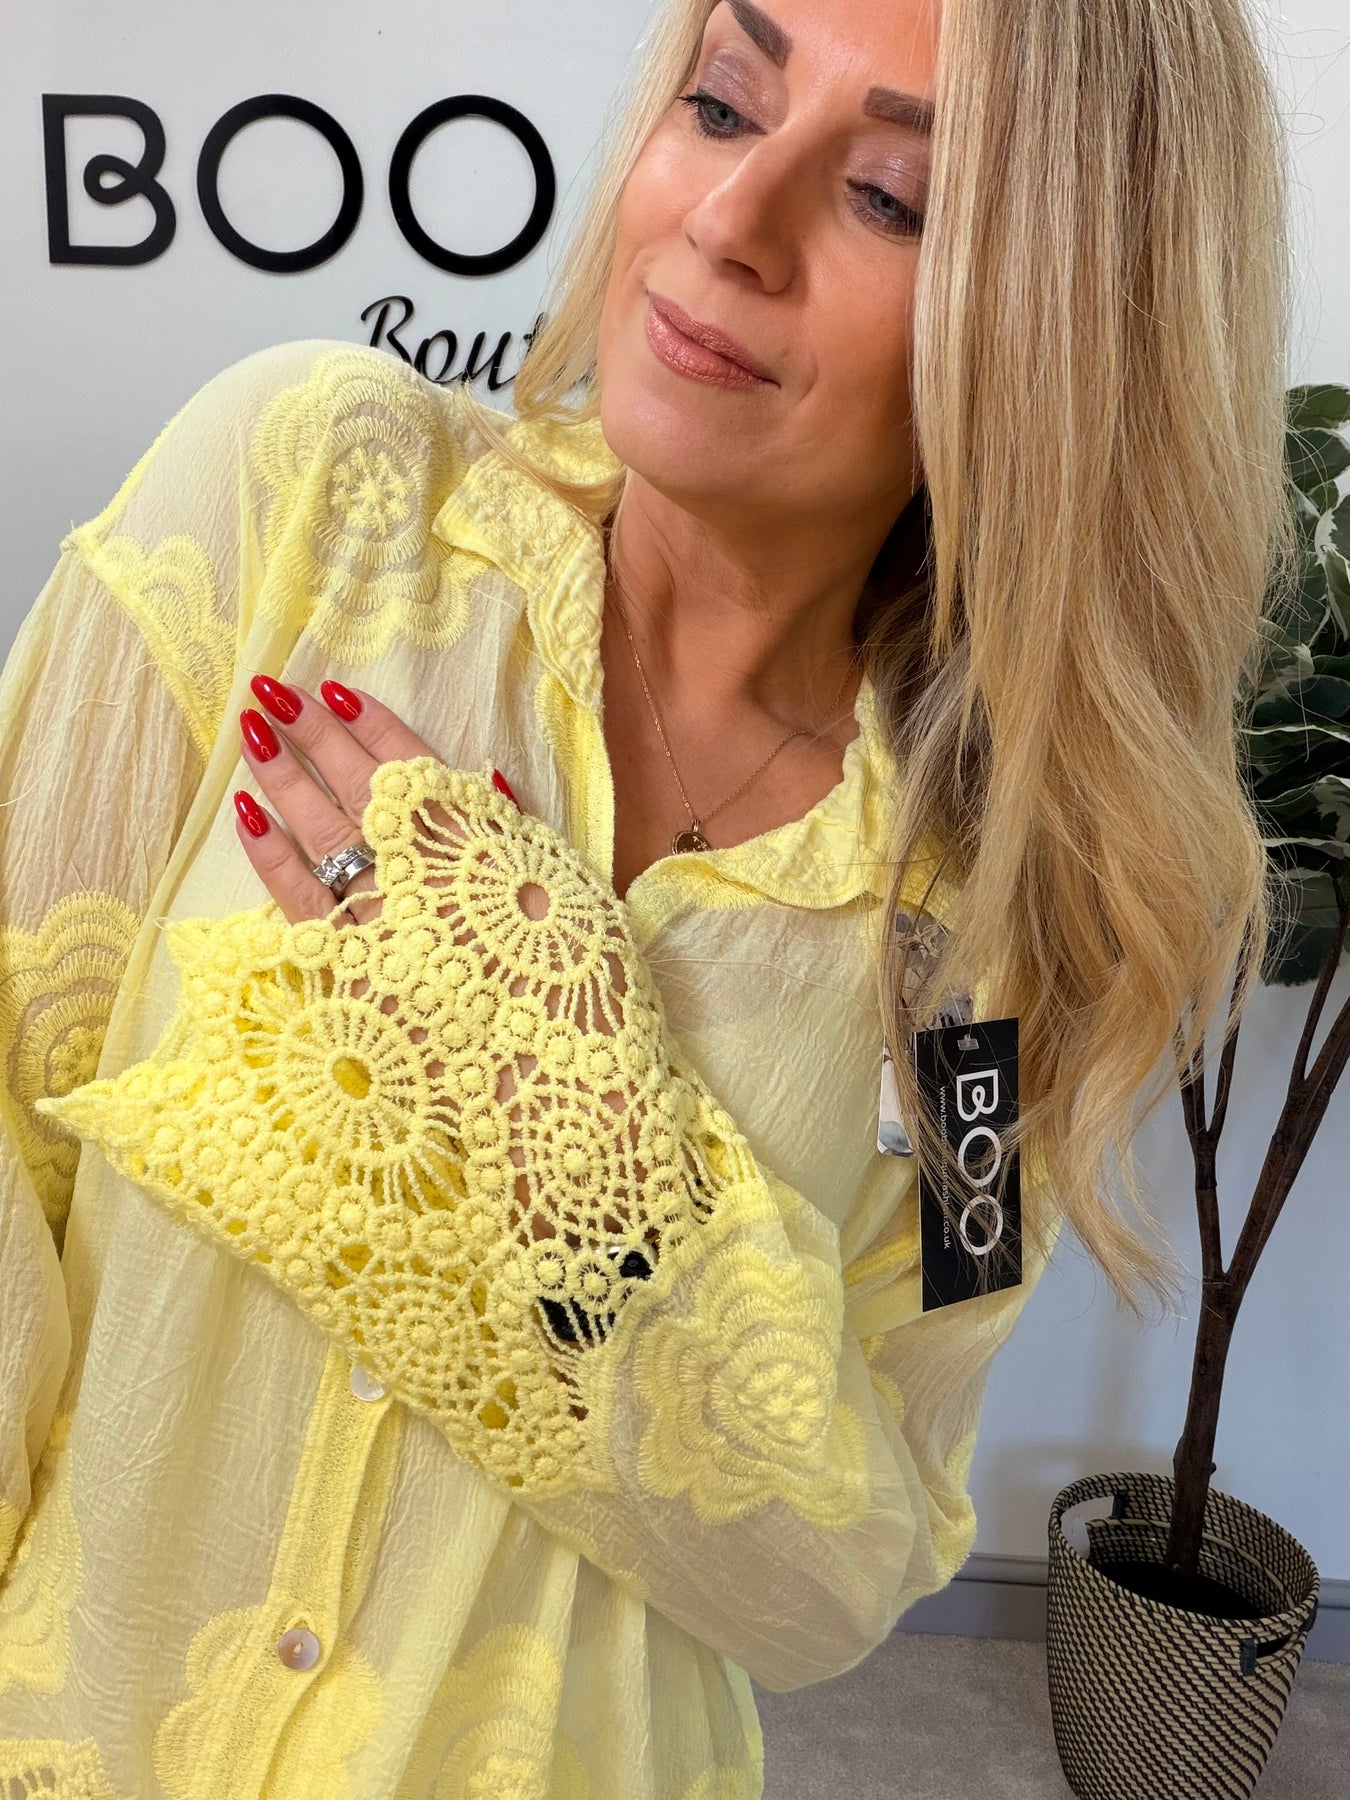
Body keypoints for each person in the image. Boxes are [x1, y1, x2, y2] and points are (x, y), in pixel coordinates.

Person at [0, 0, 1294, 1792]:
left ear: (1060, 339)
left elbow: (835, 1577)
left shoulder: (997, 948)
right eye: (721, 101)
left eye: (890, 196)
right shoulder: (303, 496)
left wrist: (547, 1074)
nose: (728, 217)